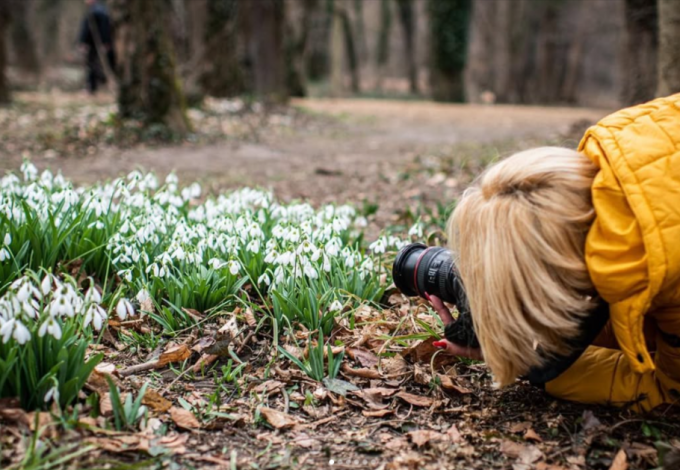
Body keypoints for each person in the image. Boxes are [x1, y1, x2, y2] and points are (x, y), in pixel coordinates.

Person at [429, 93, 680, 413]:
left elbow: (668, 391)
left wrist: (535, 361)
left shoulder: (669, 273)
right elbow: (640, 317)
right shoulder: (621, 143)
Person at [78, 0, 115, 94]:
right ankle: (93, 86)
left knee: (96, 65)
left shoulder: (98, 11)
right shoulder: (95, 10)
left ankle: (94, 87)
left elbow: (102, 28)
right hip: (94, 44)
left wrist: (105, 42)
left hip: (96, 44)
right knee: (93, 65)